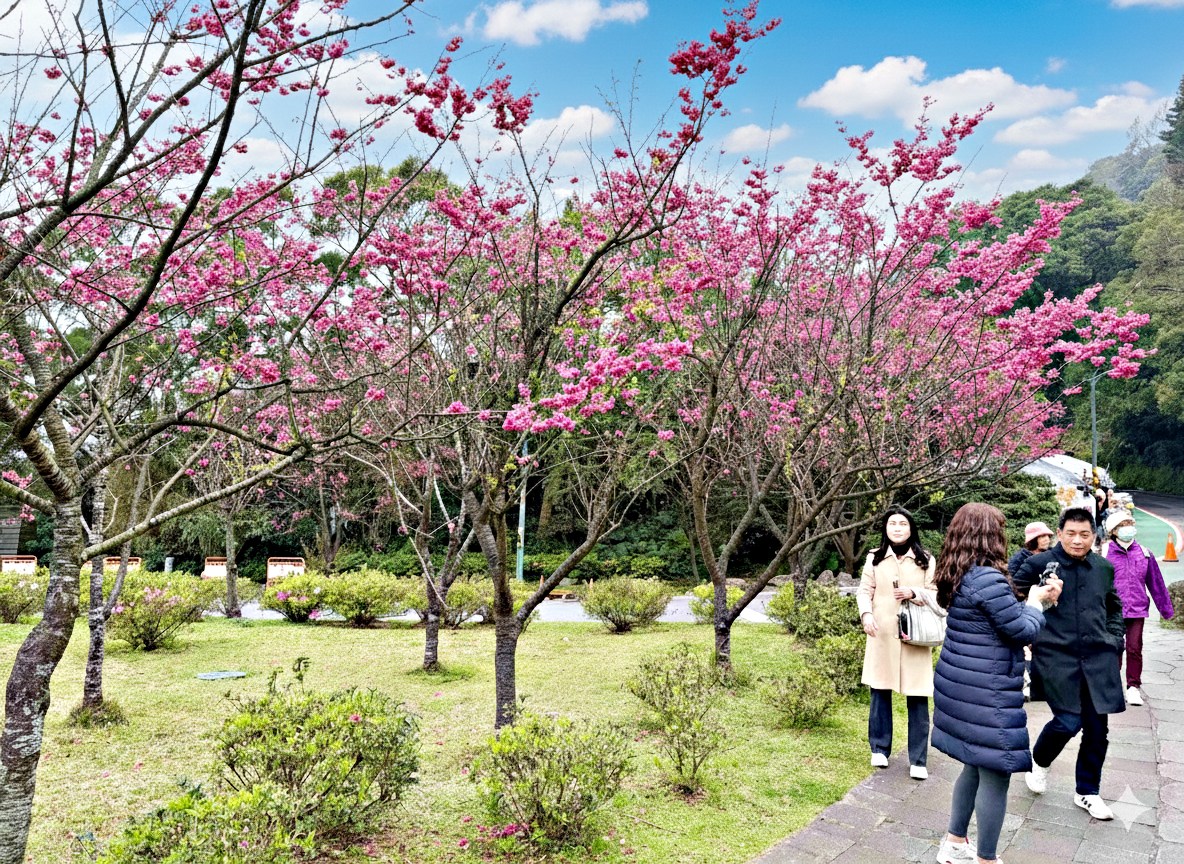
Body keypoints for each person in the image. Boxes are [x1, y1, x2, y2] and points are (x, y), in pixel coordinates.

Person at [932, 503, 1061, 864]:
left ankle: (955, 843)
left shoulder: (958, 573)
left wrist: (1034, 602)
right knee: (996, 770)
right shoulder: (987, 577)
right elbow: (1019, 629)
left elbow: (996, 619)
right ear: (989, 536)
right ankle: (986, 859)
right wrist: (1037, 602)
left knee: (974, 763)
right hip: (985, 690)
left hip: (961, 683)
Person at [1012, 507, 1126, 821]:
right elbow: (1010, 597)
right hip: (1055, 656)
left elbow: (1114, 605)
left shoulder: (1103, 567)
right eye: (1071, 534)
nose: (1077, 541)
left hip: (1098, 656)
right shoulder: (1037, 564)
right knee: (1067, 721)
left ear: (1094, 536)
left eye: (1084, 534)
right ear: (1059, 534)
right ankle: (1039, 761)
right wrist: (1032, 616)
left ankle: (1087, 792)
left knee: (1097, 729)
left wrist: (1115, 637)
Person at [856, 506, 938, 780]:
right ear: (886, 528)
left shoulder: (925, 559)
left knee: (918, 696)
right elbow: (864, 590)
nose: (898, 528)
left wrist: (916, 593)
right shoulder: (875, 558)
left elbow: (938, 596)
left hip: (914, 635)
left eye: (903, 523)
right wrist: (866, 614)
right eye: (892, 523)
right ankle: (879, 748)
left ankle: (918, 759)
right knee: (880, 691)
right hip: (881, 631)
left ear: (911, 528)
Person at [1104, 510, 1174, 706]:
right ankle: (1112, 685)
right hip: (1112, 611)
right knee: (1113, 648)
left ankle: (1133, 687)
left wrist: (1166, 609)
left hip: (1137, 609)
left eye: (1130, 523)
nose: (1129, 527)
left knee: (1134, 648)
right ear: (1114, 531)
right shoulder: (1104, 553)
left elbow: (1156, 584)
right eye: (1123, 524)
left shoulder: (1144, 553)